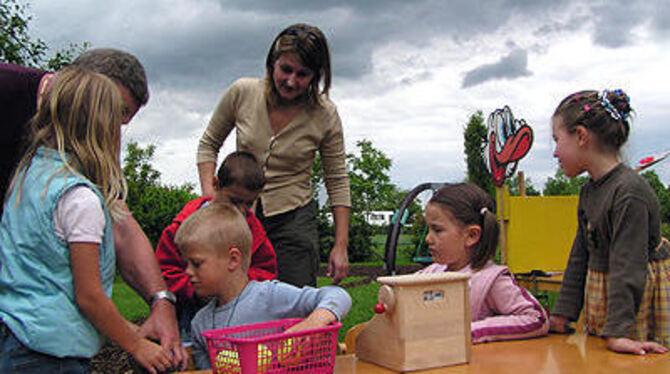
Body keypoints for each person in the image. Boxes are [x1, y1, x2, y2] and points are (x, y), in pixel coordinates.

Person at [0, 50, 185, 367]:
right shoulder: (77, 196)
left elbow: (120, 223)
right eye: (113, 114)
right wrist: (135, 341)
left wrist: (160, 300)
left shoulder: (29, 173)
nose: (117, 133)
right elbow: (89, 295)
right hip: (52, 353)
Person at [196, 23, 351, 287]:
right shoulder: (242, 92)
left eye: (302, 74)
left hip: (294, 217)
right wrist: (212, 199)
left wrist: (340, 245)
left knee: (295, 300)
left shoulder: (325, 114)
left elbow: (336, 179)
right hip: (239, 214)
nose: (291, 81)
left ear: (316, 76)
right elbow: (208, 144)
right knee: (234, 293)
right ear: (272, 63)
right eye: (286, 69)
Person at [549, 89, 669, 355]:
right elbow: (580, 255)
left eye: (557, 140)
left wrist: (618, 333)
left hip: (632, 304)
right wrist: (562, 315)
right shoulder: (590, 190)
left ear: (581, 136)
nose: (555, 152)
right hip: (605, 295)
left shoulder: (629, 192)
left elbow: (629, 265)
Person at [174, 203, 351, 369]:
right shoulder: (200, 324)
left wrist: (315, 321)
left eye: (196, 264)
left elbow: (338, 296)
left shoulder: (269, 296)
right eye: (186, 264)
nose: (188, 272)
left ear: (233, 260)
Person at [156, 151, 278, 339]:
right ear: (215, 184)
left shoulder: (254, 231)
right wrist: (194, 289)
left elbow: (266, 270)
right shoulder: (186, 225)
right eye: (234, 201)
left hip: (238, 317)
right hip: (190, 314)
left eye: (249, 203)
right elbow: (165, 269)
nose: (241, 210)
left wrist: (236, 286)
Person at [416, 183, 549, 344]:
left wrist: (471, 331)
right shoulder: (430, 273)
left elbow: (536, 318)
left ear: (471, 235)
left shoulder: (490, 279)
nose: (428, 238)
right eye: (428, 229)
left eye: (437, 230)